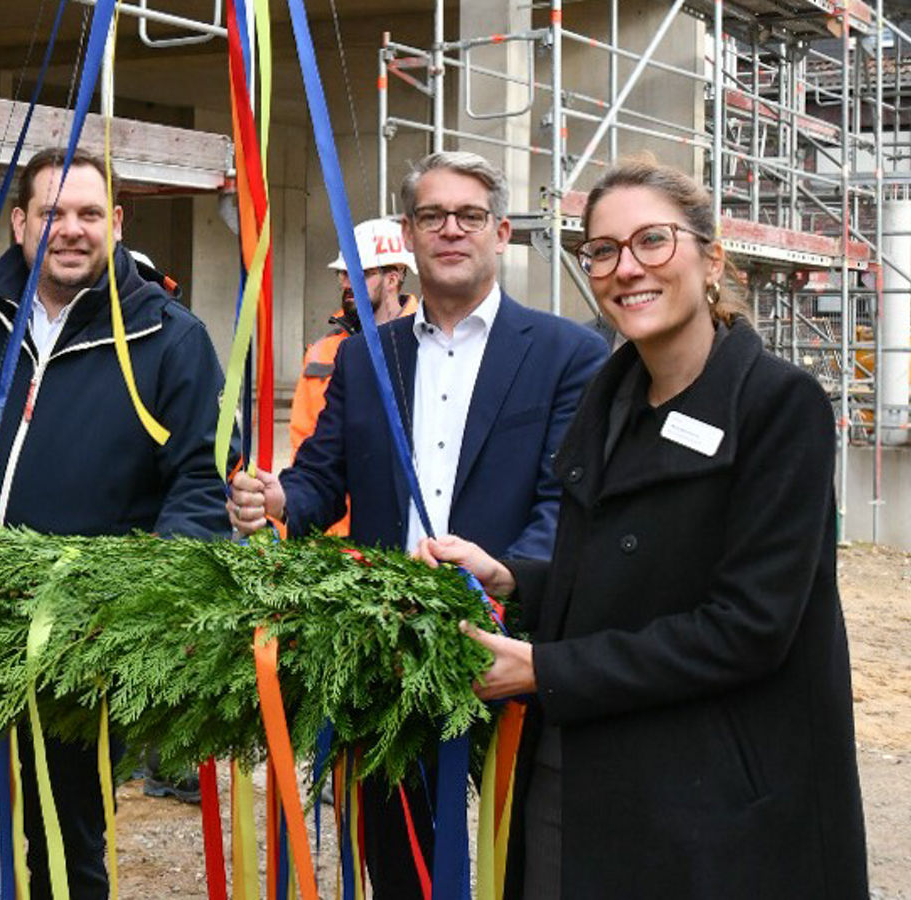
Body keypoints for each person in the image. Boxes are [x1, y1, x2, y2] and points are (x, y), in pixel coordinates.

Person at [422, 157, 869, 898]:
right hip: (584, 773)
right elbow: (614, 574)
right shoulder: (610, 394)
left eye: (652, 241)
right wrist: (513, 578)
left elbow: (750, 627)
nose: (626, 268)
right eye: (602, 250)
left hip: (715, 805)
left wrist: (545, 670)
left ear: (711, 257)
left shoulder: (777, 407)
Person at [226, 150, 608, 899]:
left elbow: (562, 508)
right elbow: (321, 481)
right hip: (386, 644)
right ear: (409, 235)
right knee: (399, 856)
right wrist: (277, 500)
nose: (451, 231)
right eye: (433, 216)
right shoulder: (366, 359)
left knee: (526, 853)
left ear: (500, 232)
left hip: (508, 642)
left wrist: (498, 581)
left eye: (469, 216)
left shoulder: (568, 355)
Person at [0, 147, 230, 899]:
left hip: (79, 631)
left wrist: (142, 596)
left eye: (90, 214)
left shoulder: (169, 338)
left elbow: (201, 479)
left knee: (65, 834)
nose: (72, 230)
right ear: (20, 222)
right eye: (53, 212)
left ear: (116, 224)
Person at [288, 215, 419, 536]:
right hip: (323, 535)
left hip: (392, 540)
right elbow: (305, 447)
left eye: (358, 274)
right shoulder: (322, 352)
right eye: (343, 274)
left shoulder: (425, 344)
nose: (347, 283)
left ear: (394, 277)